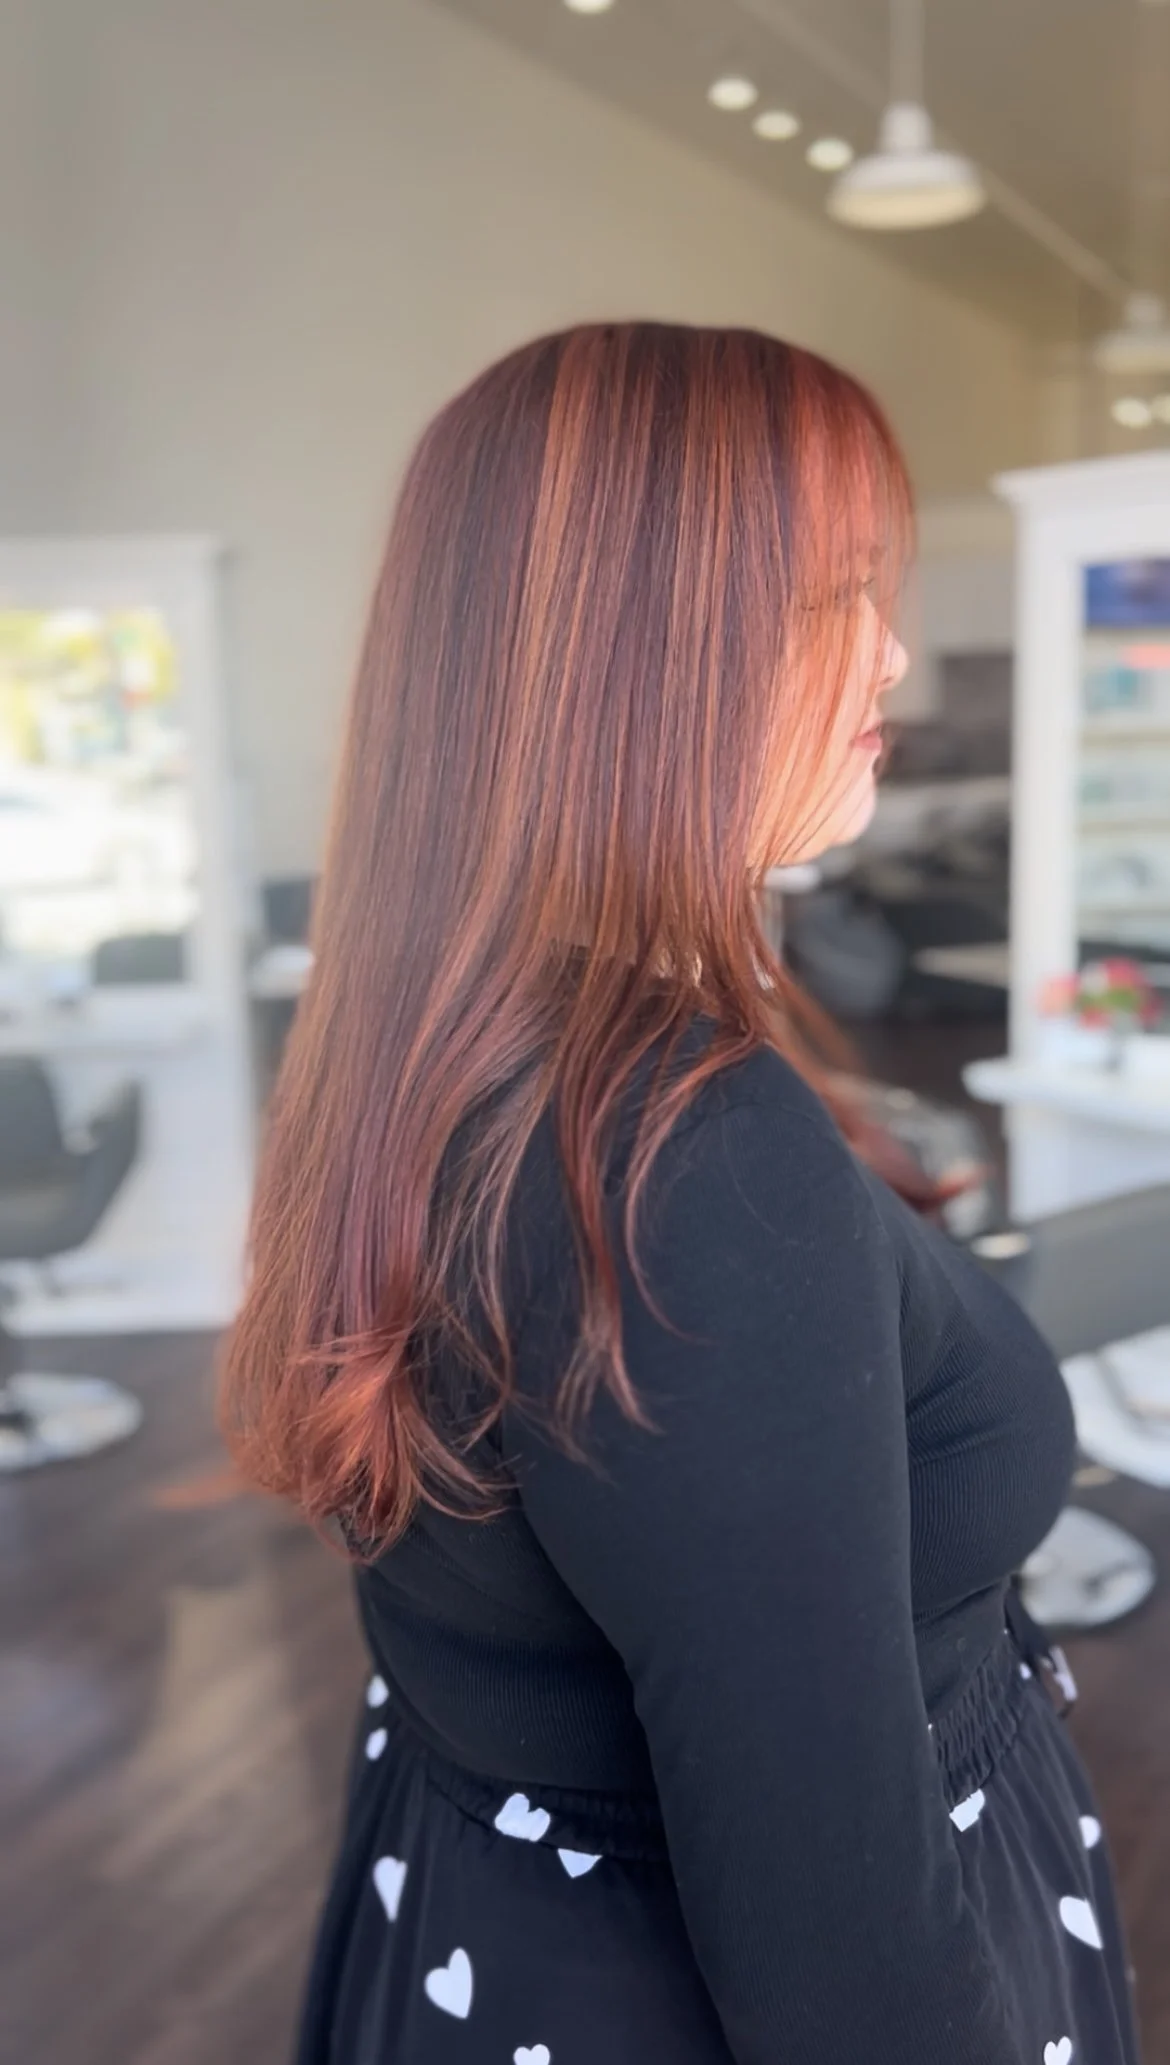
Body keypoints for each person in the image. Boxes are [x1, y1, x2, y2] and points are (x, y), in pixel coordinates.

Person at [219, 324, 1140, 2064]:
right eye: (827, 599)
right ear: (626, 660)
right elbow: (841, 1967)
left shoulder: (446, 1043)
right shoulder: (674, 1156)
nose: (887, 651)